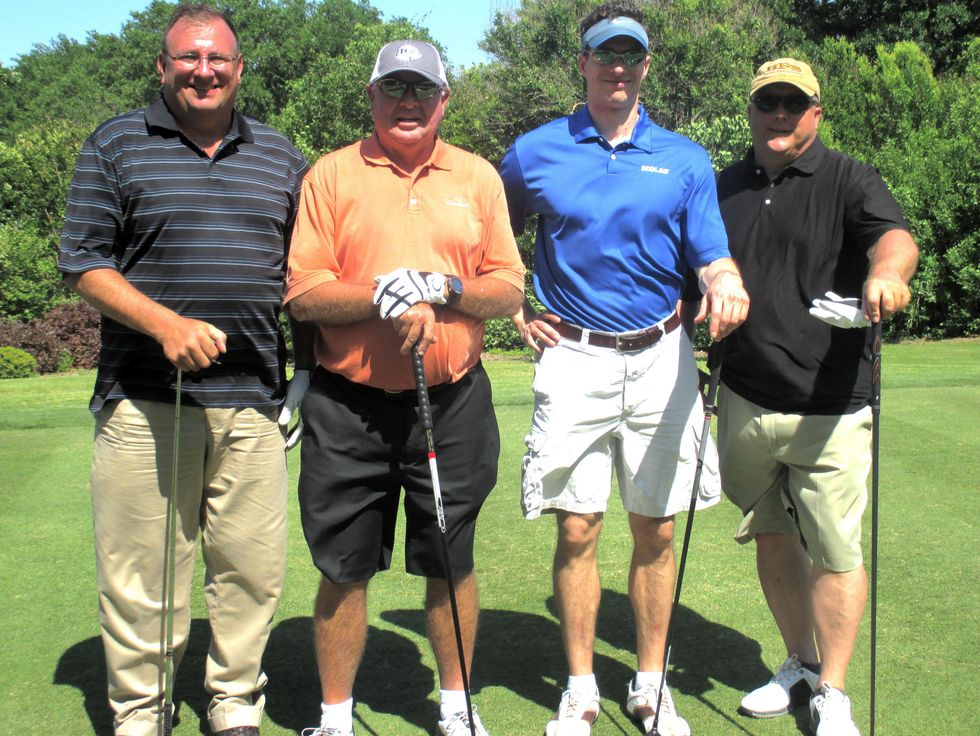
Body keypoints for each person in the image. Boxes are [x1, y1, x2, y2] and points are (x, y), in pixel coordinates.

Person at [57, 5, 311, 735]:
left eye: (218, 59)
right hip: (145, 399)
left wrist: (307, 376)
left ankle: (234, 702)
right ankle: (143, 710)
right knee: (143, 575)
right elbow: (82, 262)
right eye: (189, 58)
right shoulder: (116, 143)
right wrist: (164, 324)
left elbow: (303, 274)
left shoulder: (280, 155)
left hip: (255, 400)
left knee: (250, 571)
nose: (204, 71)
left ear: (239, 69)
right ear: (162, 66)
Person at [498, 3, 749, 735]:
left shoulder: (684, 158)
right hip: (574, 357)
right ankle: (579, 688)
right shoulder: (535, 151)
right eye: (605, 54)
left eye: (630, 55)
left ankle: (650, 683)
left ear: (646, 65)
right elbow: (489, 234)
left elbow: (711, 253)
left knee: (656, 531)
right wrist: (514, 301)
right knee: (577, 528)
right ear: (581, 63)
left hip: (664, 356)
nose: (618, 67)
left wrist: (726, 281)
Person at [284, 40, 525, 736]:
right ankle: (335, 718)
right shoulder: (331, 175)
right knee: (343, 565)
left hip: (452, 403)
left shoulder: (477, 177)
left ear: (444, 99)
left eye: (422, 89)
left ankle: (455, 706)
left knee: (451, 559)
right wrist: (383, 295)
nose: (408, 102)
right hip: (348, 407)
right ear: (372, 96)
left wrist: (441, 288)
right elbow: (305, 293)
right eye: (394, 88)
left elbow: (508, 287)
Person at [714, 58, 919, 736]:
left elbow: (894, 239)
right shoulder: (725, 185)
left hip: (829, 404)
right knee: (772, 533)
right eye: (767, 102)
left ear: (815, 113)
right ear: (751, 110)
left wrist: (887, 275)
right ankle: (801, 663)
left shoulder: (849, 178)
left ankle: (833, 690)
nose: (779, 113)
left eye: (793, 103)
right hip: (744, 396)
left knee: (835, 550)